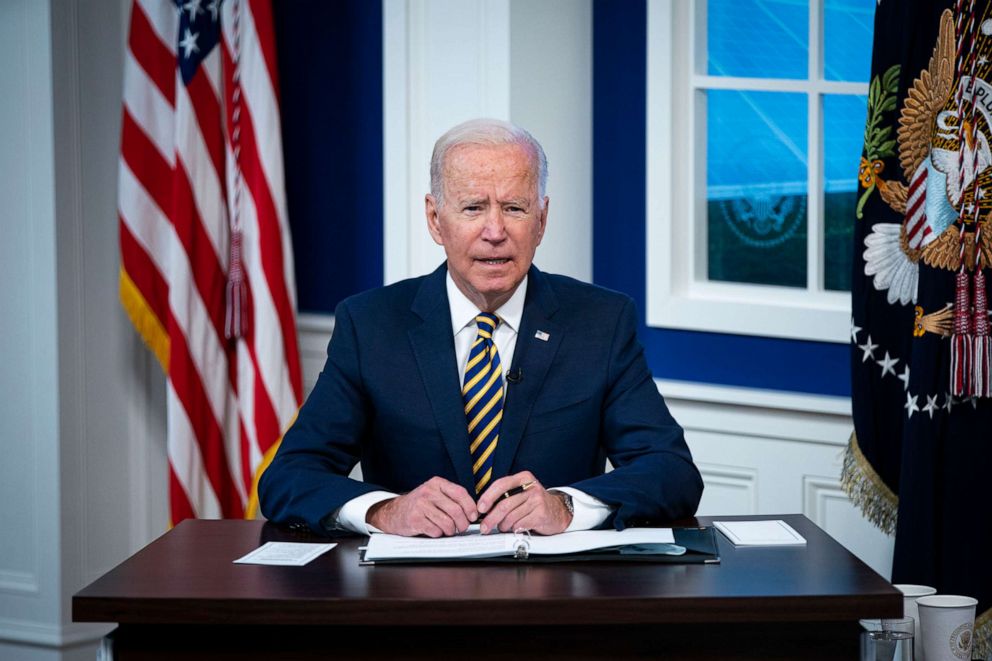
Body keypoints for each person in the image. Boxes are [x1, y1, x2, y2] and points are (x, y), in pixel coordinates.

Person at [259, 118, 703, 537]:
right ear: (435, 219)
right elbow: (288, 477)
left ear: (542, 219)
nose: (495, 231)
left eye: (514, 207)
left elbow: (672, 471)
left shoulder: (600, 322)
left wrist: (566, 506)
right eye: (473, 208)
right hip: (410, 597)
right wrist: (385, 510)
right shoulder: (371, 324)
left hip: (555, 591)